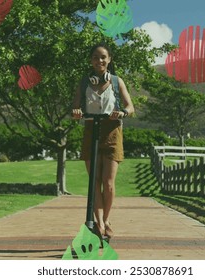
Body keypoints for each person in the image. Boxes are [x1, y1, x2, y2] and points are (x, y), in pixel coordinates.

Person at [72, 42, 134, 240]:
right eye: (95, 57)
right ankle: (98, 224)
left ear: (109, 60)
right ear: (91, 61)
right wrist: (77, 112)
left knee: (108, 183)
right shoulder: (83, 83)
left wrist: (122, 112)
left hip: (112, 132)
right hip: (91, 131)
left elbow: (130, 107)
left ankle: (106, 220)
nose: (99, 60)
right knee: (94, 182)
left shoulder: (116, 81)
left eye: (103, 57)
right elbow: (75, 108)